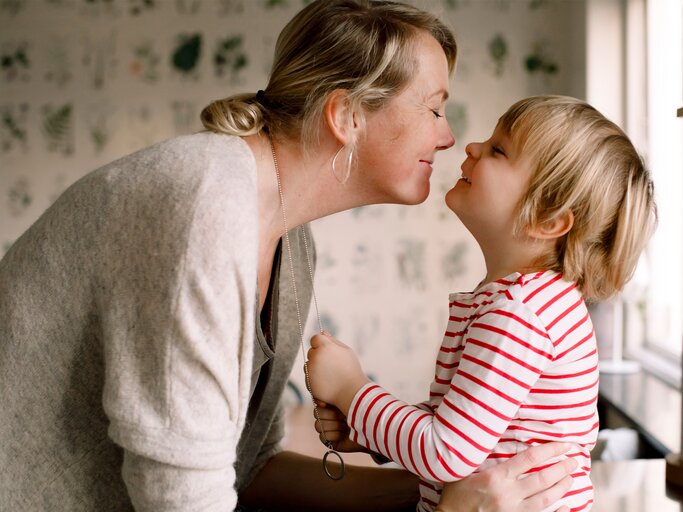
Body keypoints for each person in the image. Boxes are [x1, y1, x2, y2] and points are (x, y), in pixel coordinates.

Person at [0, 1, 575, 510]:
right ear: (346, 116)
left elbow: (248, 469)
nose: (450, 138)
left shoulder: (289, 239)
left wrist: (442, 492)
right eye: (433, 108)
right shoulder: (203, 204)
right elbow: (183, 500)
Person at [307, 95, 658, 512]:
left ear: (548, 220)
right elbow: (468, 424)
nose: (472, 147)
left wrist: (352, 390)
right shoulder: (533, 300)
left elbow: (445, 453)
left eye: (498, 149)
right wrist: (368, 430)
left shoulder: (518, 312)